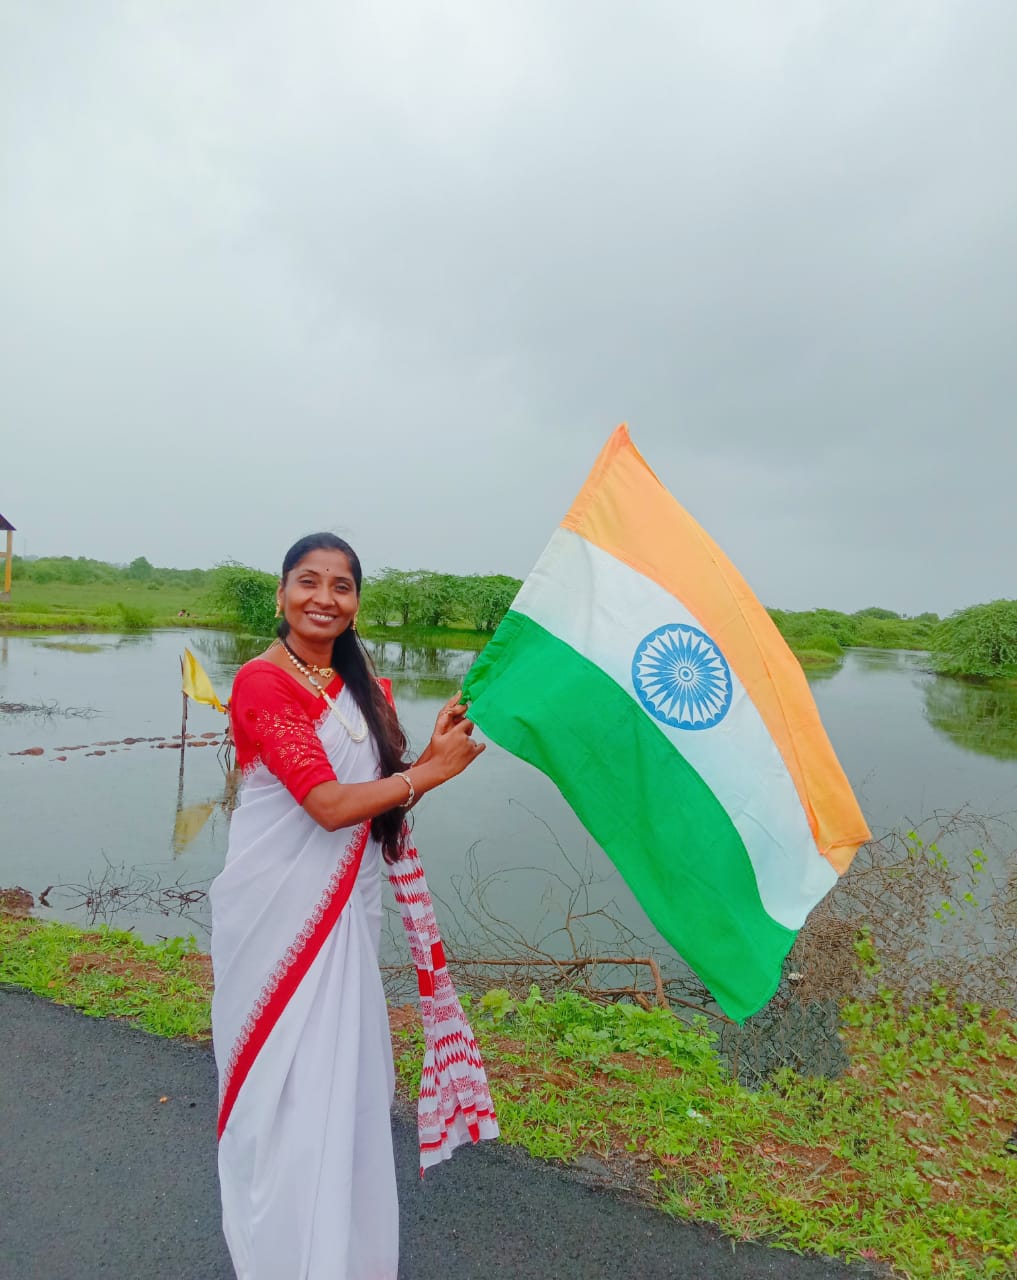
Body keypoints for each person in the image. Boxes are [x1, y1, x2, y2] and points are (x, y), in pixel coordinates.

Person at [210, 532, 488, 1280]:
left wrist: (422, 760)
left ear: (357, 602)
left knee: (347, 1085)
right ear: (280, 594)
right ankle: (283, 1256)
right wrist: (429, 775)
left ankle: (343, 1257)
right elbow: (329, 806)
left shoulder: (369, 687)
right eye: (308, 581)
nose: (324, 598)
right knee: (286, 1093)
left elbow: (378, 807)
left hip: (345, 913)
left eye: (341, 586)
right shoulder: (264, 684)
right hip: (276, 913)